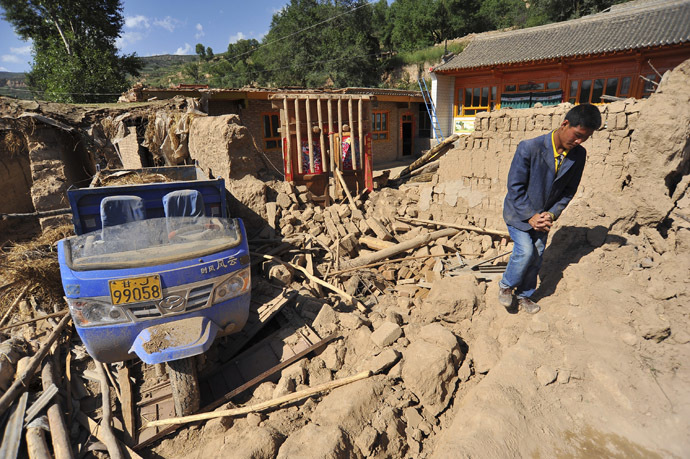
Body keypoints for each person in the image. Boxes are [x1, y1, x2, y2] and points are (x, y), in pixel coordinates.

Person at [498, 104, 602, 314]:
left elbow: (568, 191)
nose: (579, 141)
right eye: (578, 135)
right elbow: (515, 188)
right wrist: (530, 215)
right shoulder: (529, 148)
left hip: (544, 217)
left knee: (537, 254)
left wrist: (552, 213)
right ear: (565, 124)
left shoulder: (578, 156)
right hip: (518, 213)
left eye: (585, 138)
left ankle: (525, 295)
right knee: (525, 251)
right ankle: (506, 286)